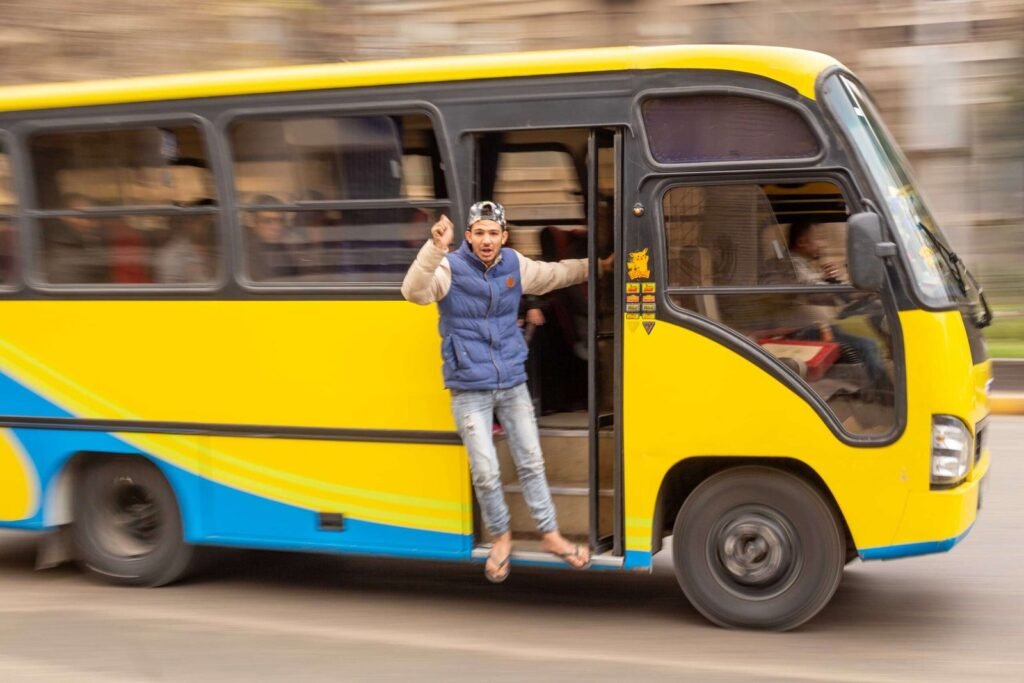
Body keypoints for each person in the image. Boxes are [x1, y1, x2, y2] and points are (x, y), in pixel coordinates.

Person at [402, 200, 609, 583]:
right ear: (468, 236)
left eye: (493, 233)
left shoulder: (515, 264)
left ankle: (550, 536)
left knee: (531, 461)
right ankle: (501, 537)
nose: (486, 240)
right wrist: (434, 248)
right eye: (478, 232)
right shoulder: (449, 267)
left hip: (512, 381)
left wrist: (599, 266)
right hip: (469, 388)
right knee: (484, 469)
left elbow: (557, 274)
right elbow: (413, 292)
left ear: (504, 237)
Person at [786, 221, 889, 395]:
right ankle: (881, 393)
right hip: (808, 330)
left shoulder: (802, 265)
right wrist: (845, 289)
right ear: (803, 241)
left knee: (873, 309)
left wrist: (832, 281)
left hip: (822, 324)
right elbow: (815, 293)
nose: (824, 244)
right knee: (868, 346)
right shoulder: (791, 265)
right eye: (819, 239)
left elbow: (823, 290)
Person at [44, 193, 109, 284]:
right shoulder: (62, 252)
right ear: (66, 218)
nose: (94, 224)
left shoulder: (88, 241)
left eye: (95, 217)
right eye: (85, 217)